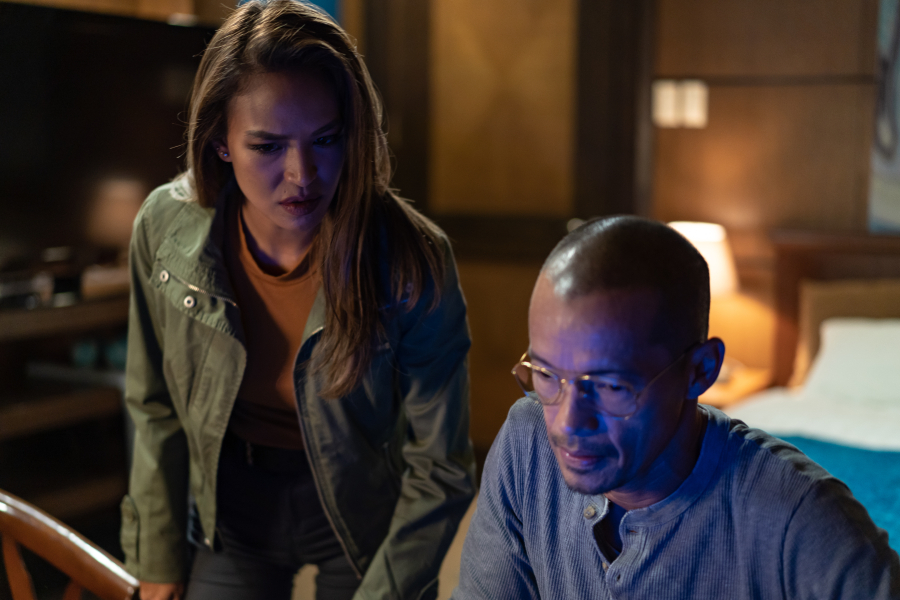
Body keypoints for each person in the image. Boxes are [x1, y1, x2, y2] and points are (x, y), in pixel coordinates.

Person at [120, 2, 476, 599]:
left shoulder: (412, 259)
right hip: (232, 504)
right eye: (267, 146)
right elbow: (153, 404)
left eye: (326, 139)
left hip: (364, 508)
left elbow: (440, 466)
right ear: (220, 141)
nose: (302, 174)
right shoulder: (165, 227)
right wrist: (156, 555)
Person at [452, 216, 900, 599]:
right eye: (547, 375)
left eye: (610, 386)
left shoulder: (801, 518)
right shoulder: (527, 443)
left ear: (700, 370)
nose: (568, 423)